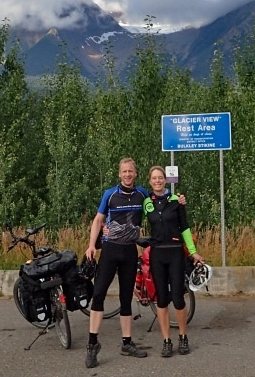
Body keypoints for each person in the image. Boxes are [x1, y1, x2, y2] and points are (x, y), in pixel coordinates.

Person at [83, 158, 185, 368]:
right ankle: (92, 344)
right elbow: (98, 219)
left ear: (135, 174)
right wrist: (92, 244)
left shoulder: (142, 194)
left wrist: (179, 199)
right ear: (119, 174)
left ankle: (127, 343)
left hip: (130, 251)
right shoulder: (110, 194)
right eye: (124, 172)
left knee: (126, 299)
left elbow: (161, 200)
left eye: (131, 171)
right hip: (110, 249)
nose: (127, 174)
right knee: (99, 294)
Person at [142, 165, 204, 357]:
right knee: (161, 300)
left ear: (165, 180)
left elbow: (184, 228)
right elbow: (132, 221)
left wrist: (193, 252)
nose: (158, 181)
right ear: (150, 181)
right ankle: (166, 340)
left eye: (161, 178)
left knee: (177, 298)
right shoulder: (146, 202)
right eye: (154, 178)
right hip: (157, 255)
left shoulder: (177, 201)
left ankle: (183, 337)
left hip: (176, 253)